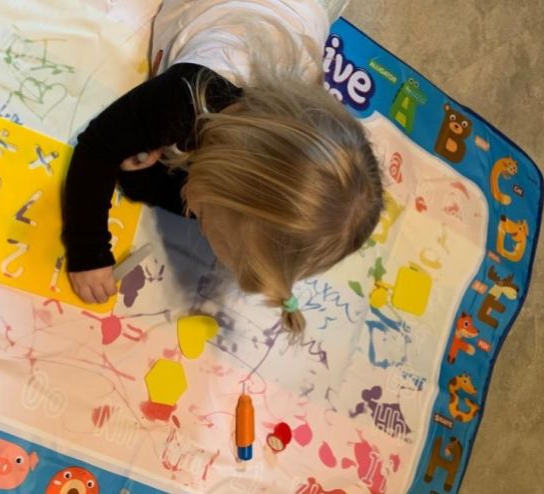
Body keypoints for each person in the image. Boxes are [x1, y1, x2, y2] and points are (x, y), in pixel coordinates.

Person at [62, 0, 382, 334]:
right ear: (214, 174)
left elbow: (183, 192)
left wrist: (140, 179)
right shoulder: (181, 100)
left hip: (302, 15)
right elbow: (98, 146)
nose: (193, 217)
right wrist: (89, 252)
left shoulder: (284, 133)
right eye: (202, 219)